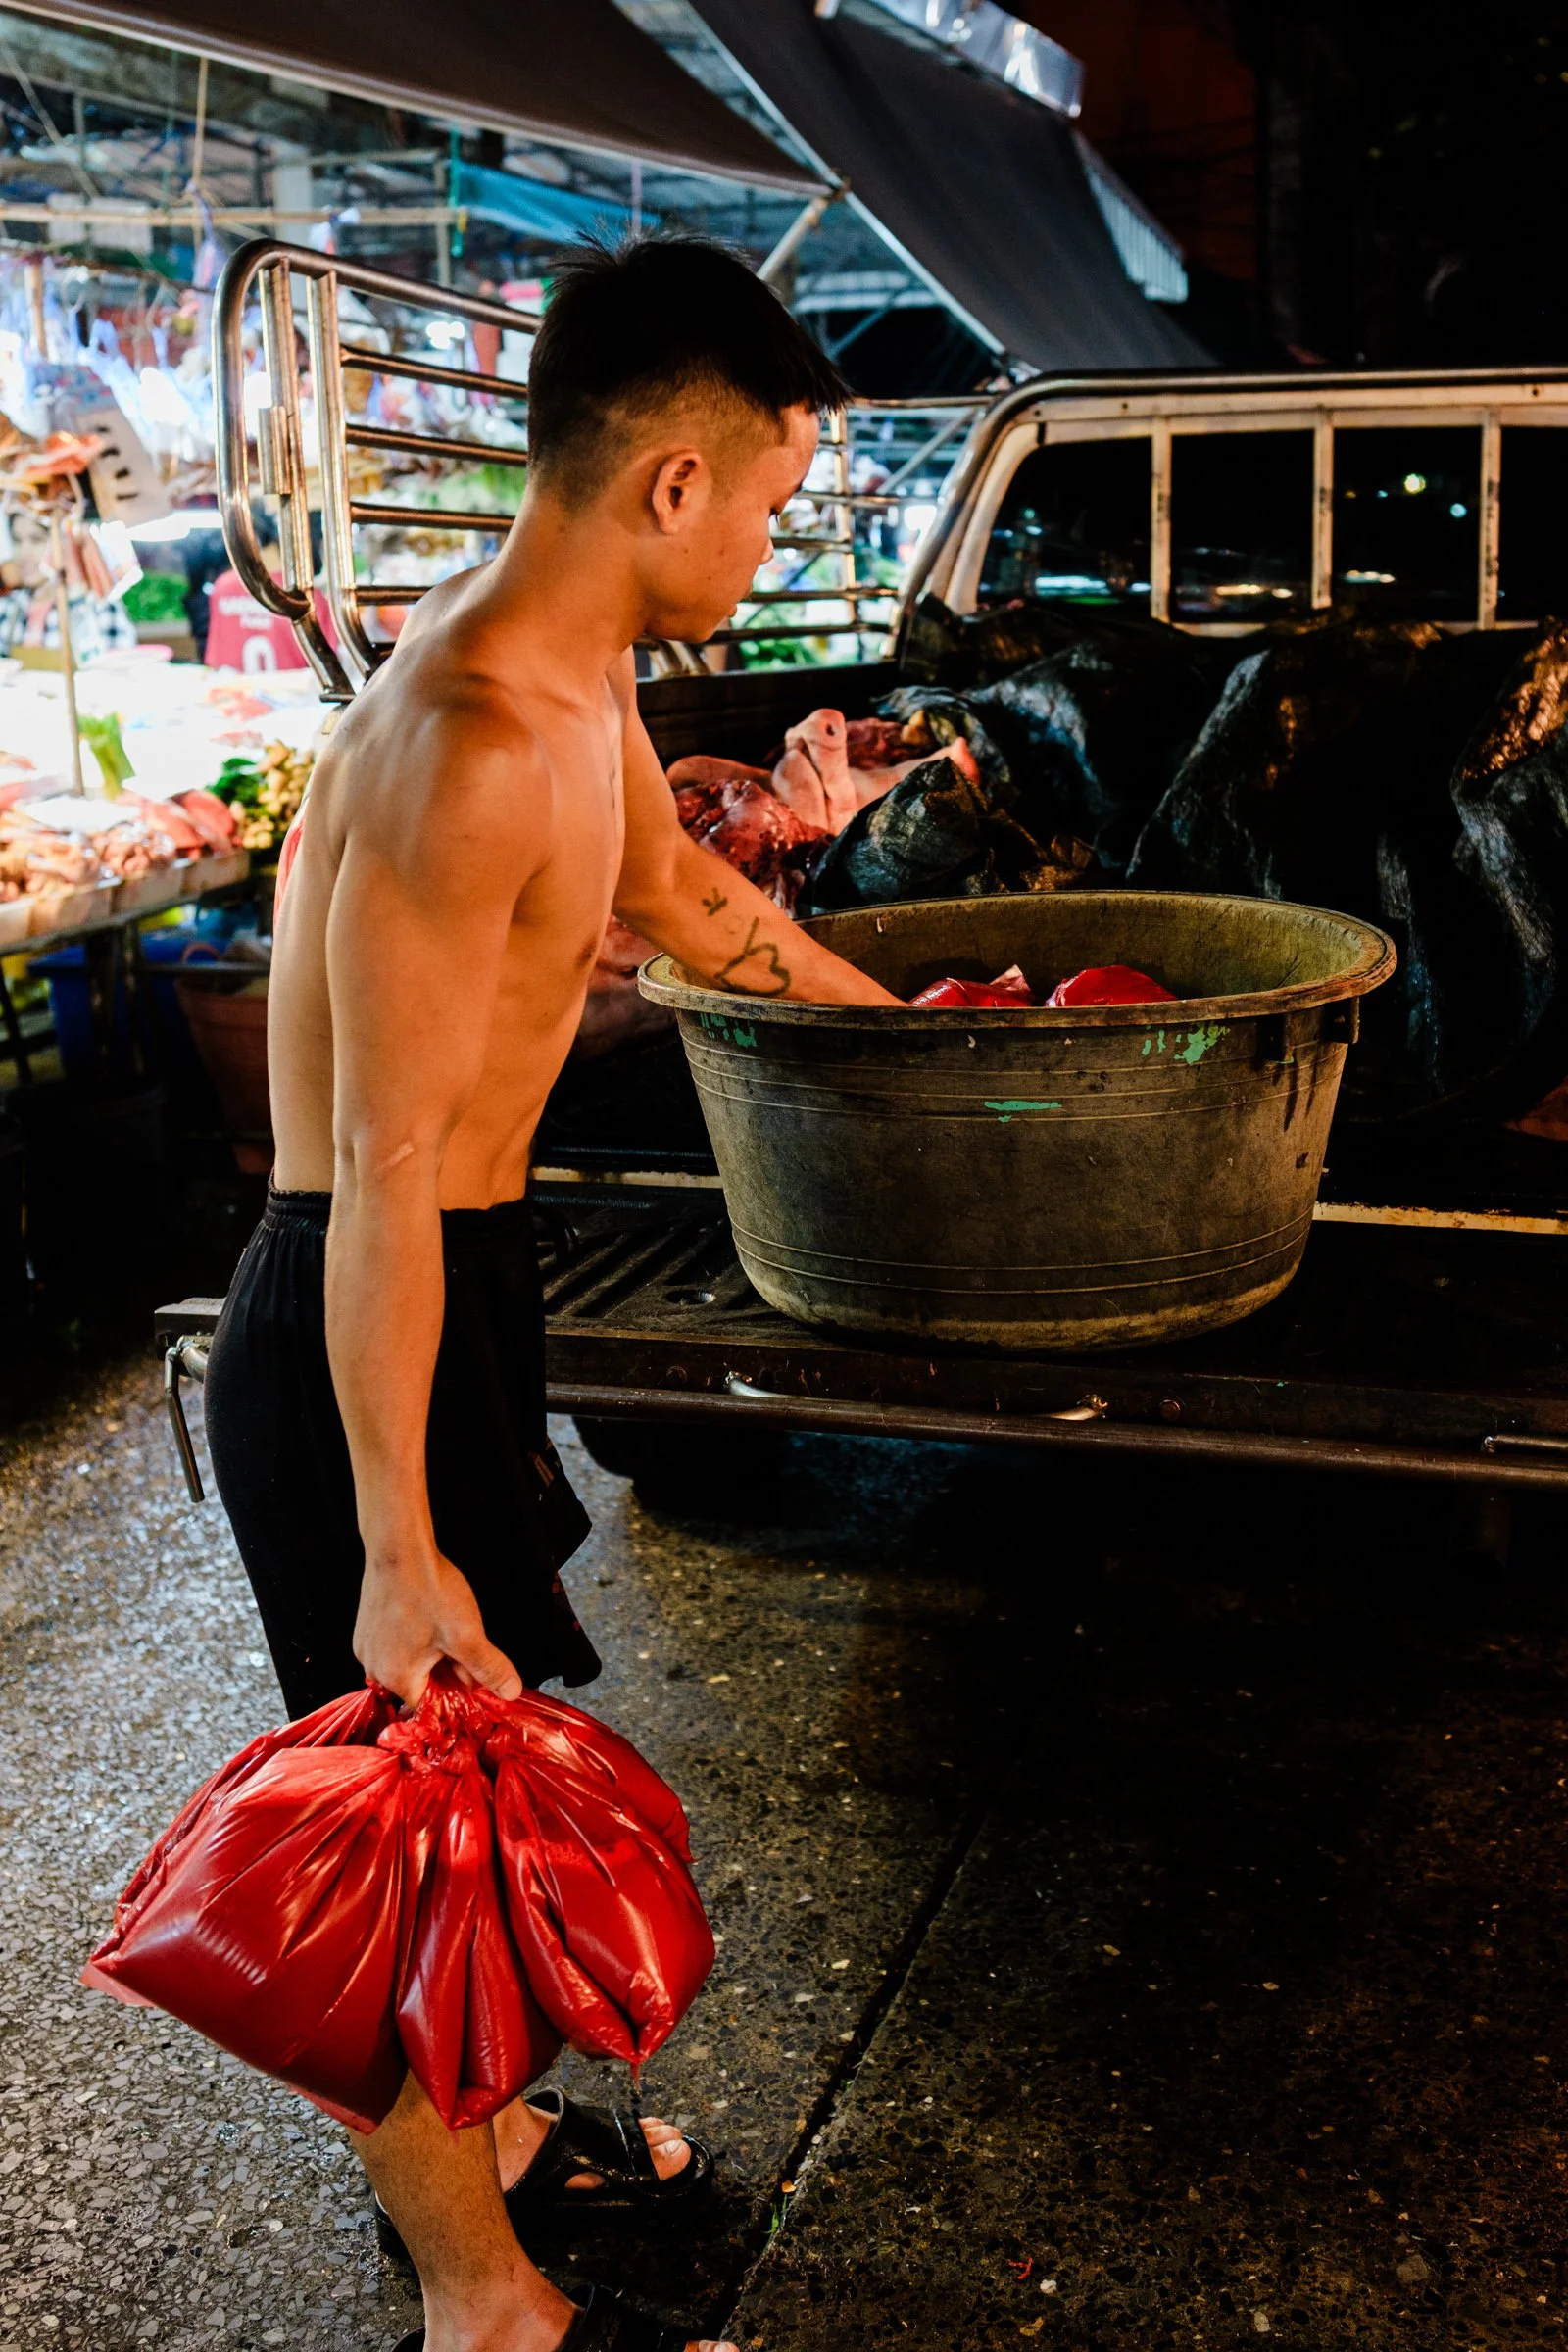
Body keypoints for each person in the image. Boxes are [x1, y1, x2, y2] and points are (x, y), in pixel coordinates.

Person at [202, 233, 901, 2352]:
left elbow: (673, 893)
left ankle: (502, 2159)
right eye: (772, 498)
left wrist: (923, 1042)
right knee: (404, 1838)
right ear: (673, 484)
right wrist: (400, 1541)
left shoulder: (572, 665)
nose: (774, 536)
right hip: (359, 1316)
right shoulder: (478, 725)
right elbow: (390, 1175)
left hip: (456, 1287)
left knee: (486, 1795)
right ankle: (485, 2305)